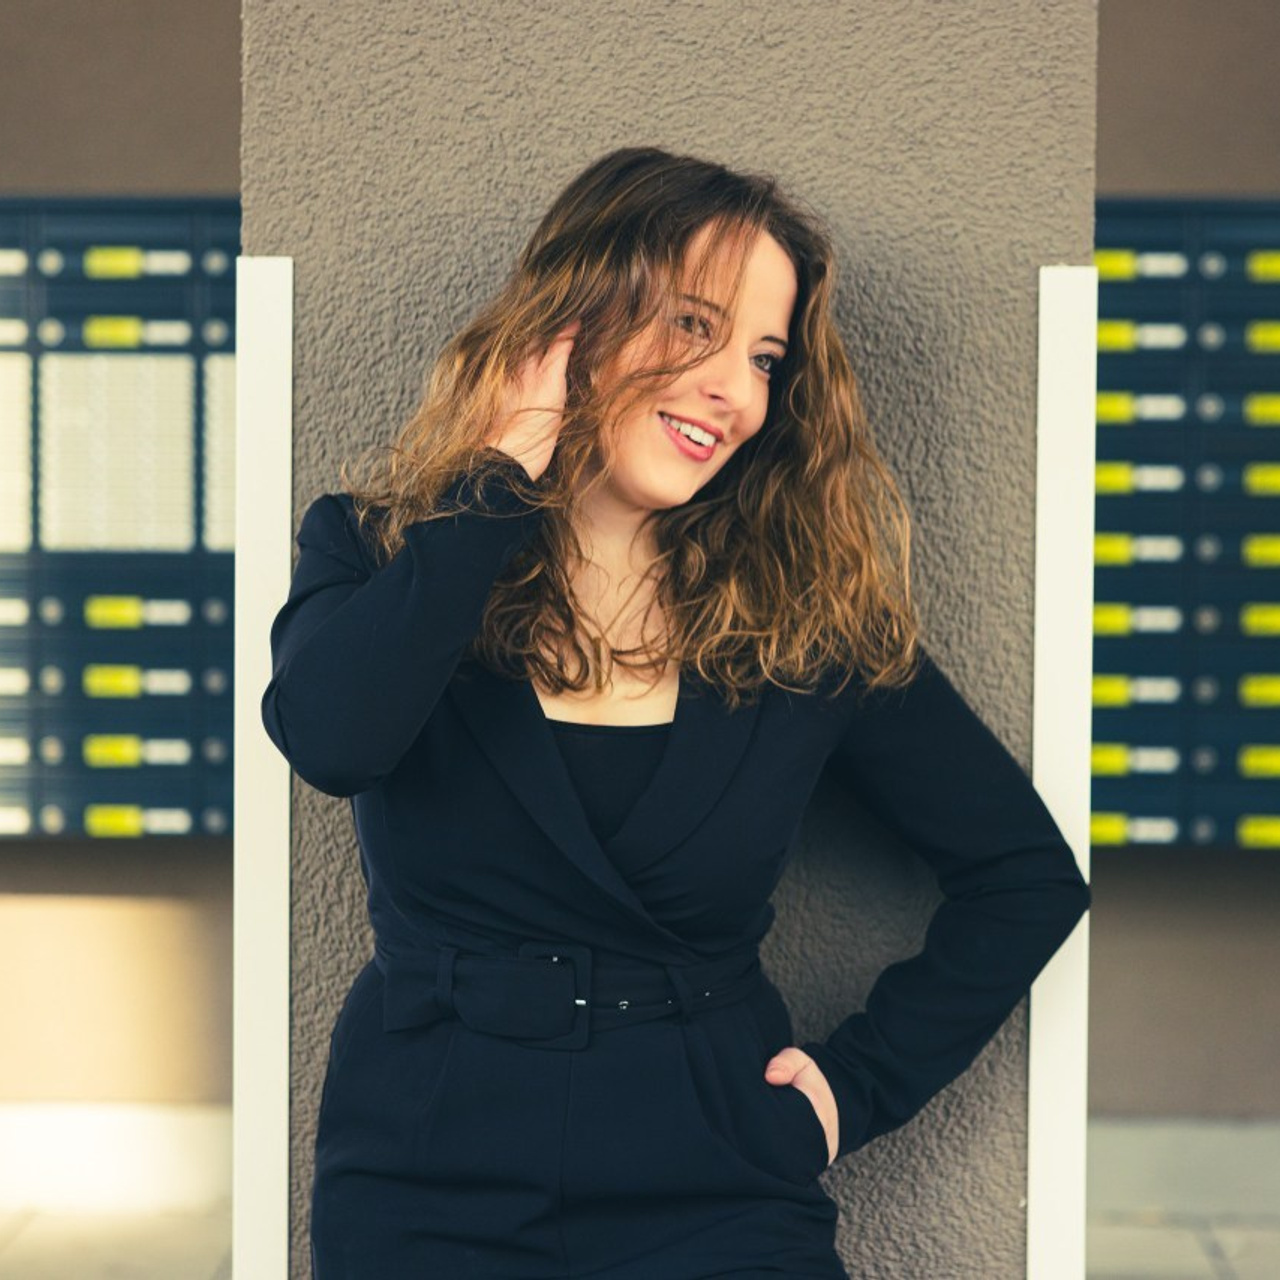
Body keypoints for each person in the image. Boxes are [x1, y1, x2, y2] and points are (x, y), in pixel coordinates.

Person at [261, 145, 1092, 1279]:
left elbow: (1026, 872)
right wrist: (499, 481)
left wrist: (852, 1089)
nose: (737, 393)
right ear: (572, 322)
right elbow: (331, 737)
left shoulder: (806, 617)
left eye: (762, 356)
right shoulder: (379, 548)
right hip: (428, 1173)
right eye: (695, 328)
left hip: (717, 1178)